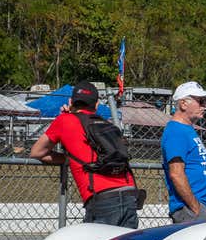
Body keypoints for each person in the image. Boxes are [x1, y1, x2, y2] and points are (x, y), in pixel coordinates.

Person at [30, 81, 139, 228]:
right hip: (129, 193)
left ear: (70, 101)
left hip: (102, 197)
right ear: (96, 105)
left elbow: (36, 152)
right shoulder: (106, 123)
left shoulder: (64, 120)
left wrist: (67, 158)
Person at [162, 81, 206, 224]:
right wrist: (195, 208)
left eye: (205, 101)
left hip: (199, 207)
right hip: (190, 210)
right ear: (183, 104)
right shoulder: (176, 131)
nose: (205, 106)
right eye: (200, 101)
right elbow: (176, 173)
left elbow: (195, 158)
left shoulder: (188, 130)